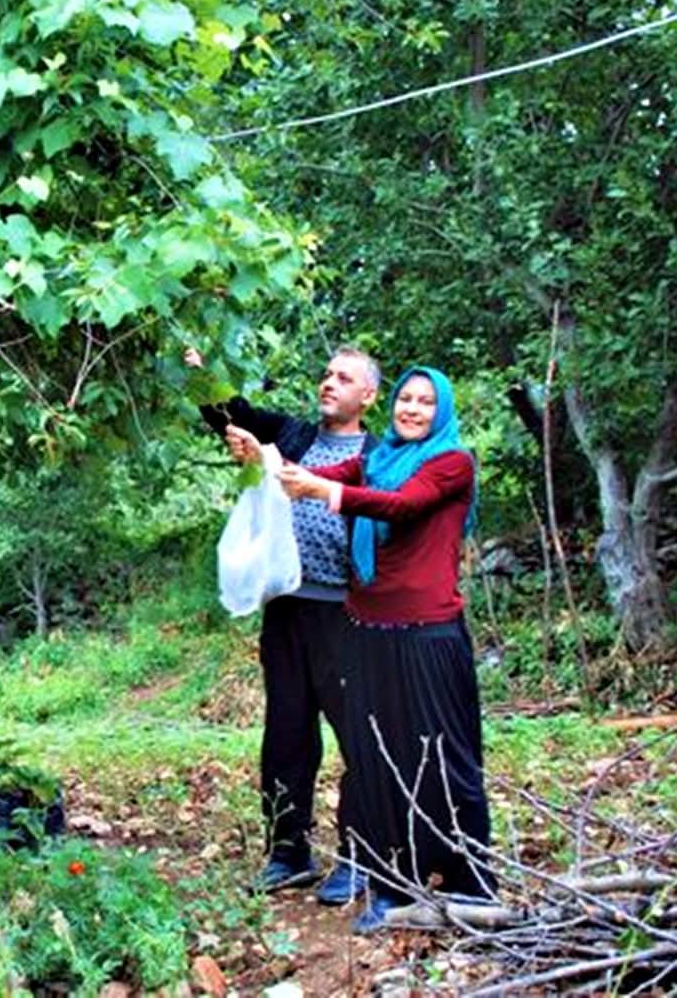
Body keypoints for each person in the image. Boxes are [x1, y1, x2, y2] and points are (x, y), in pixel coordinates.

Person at [275, 366, 491, 933]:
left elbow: (400, 505)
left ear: (441, 412)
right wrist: (267, 459)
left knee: (445, 758)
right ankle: (394, 883)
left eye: (425, 402)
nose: (412, 409)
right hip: (367, 630)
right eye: (405, 399)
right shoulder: (380, 458)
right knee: (378, 762)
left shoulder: (451, 462)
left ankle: (470, 881)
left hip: (428, 636)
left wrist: (325, 492)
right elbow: (320, 474)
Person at [195, 345, 380, 904]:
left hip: (347, 613)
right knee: (286, 734)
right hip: (287, 608)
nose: (329, 383)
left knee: (359, 736)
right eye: (327, 374)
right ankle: (288, 852)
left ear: (368, 396)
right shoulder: (294, 435)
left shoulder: (379, 453)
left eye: (343, 378)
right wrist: (200, 376)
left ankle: (362, 855)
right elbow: (234, 416)